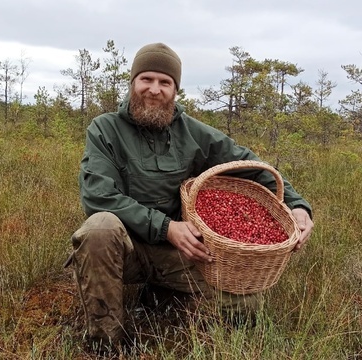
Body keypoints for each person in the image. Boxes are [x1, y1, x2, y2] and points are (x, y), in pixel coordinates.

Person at [66, 42, 314, 350]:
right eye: (146, 79)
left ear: (175, 90)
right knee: (99, 227)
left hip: (179, 253)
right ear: (132, 83)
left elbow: (253, 167)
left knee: (246, 306)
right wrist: (167, 228)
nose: (154, 89)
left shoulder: (194, 133)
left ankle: (160, 293)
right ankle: (105, 343)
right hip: (125, 250)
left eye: (165, 82)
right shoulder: (105, 129)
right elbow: (98, 197)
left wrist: (297, 206)